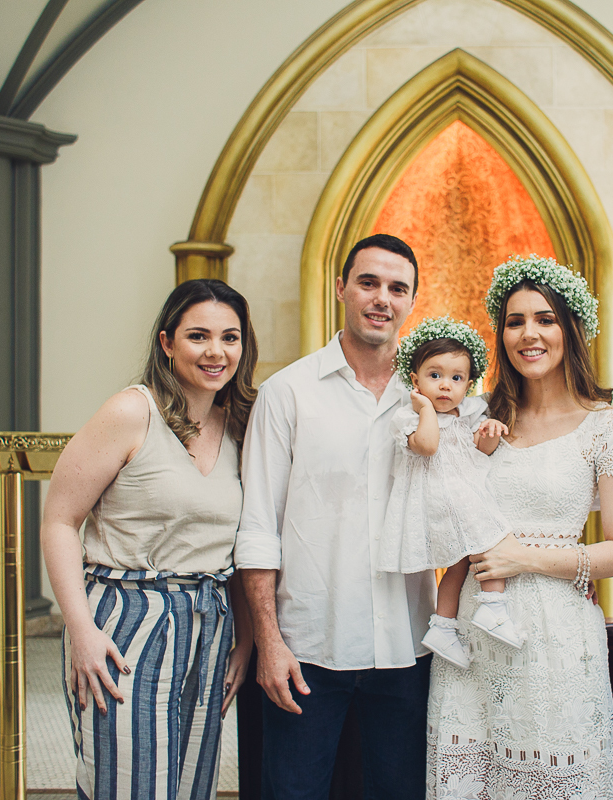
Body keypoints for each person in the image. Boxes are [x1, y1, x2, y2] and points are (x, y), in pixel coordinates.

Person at [427, 254, 613, 800]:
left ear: (570, 329)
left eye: (545, 319)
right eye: (515, 320)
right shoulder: (474, 417)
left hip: (557, 634)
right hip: (474, 634)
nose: (529, 334)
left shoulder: (605, 426)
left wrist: (525, 558)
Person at [41, 278, 258, 800]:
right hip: (126, 617)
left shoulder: (240, 426)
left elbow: (244, 545)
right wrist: (82, 630)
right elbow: (59, 521)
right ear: (167, 342)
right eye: (198, 336)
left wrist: (245, 636)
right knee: (128, 784)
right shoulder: (130, 413)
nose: (216, 352)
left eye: (230, 338)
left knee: (188, 785)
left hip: (210, 622)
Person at [236, 233, 435, 799]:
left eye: (398, 288)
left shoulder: (431, 399)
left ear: (411, 302)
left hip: (406, 644)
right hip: (307, 649)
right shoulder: (287, 394)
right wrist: (269, 641)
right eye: (368, 282)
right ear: (341, 287)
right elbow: (257, 530)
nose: (382, 298)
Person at [378, 316, 519, 671]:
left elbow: (480, 451)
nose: (445, 386)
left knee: (458, 567)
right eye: (434, 375)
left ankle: (443, 625)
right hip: (442, 502)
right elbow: (426, 447)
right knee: (495, 535)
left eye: (456, 378)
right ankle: (493, 605)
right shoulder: (408, 418)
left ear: (469, 384)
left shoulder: (468, 412)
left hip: (462, 496)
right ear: (415, 380)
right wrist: (424, 408)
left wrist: (490, 431)